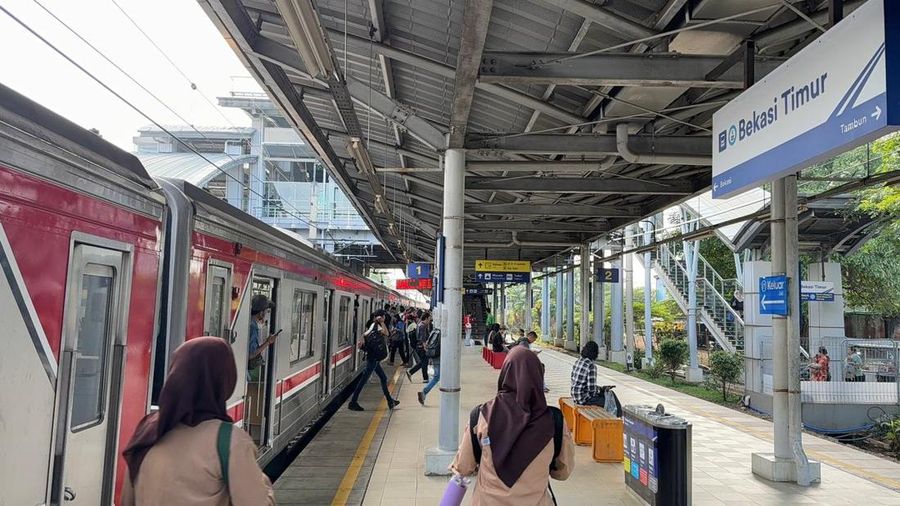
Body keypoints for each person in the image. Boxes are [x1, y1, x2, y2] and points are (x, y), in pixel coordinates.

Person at [121, 337, 275, 505]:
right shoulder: (230, 441)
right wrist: (262, 482)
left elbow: (127, 500)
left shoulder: (148, 431)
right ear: (224, 380)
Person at [451, 347, 574, 504]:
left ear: (505, 373)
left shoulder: (482, 416)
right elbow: (562, 473)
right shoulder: (554, 421)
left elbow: (463, 467)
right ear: (538, 376)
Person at [349, 310, 399, 411]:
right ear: (381, 317)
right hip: (373, 358)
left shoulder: (373, 325)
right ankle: (353, 402)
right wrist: (382, 322)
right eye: (384, 316)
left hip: (373, 358)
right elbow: (387, 333)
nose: (385, 318)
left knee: (383, 378)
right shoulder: (377, 325)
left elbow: (365, 334)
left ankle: (390, 401)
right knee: (363, 380)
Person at [248, 295, 278, 381]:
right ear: (261, 313)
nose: (266, 314)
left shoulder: (249, 322)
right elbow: (251, 354)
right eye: (266, 311)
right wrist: (268, 342)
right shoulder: (253, 327)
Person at [571, 341, 604, 405]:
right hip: (583, 399)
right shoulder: (591, 366)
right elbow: (592, 390)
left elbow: (574, 380)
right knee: (606, 401)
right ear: (595, 353)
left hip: (575, 396)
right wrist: (600, 391)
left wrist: (598, 388)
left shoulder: (578, 361)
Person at [417, 327, 441, 406]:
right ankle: (424, 392)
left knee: (437, 376)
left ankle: (424, 393)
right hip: (439, 357)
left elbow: (428, 342)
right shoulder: (443, 333)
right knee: (436, 377)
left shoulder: (434, 331)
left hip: (433, 354)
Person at [406, 312, 432, 382]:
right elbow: (423, 338)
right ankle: (425, 378)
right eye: (429, 318)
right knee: (424, 362)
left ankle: (411, 372)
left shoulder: (419, 324)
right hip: (421, 347)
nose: (430, 320)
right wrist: (425, 348)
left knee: (422, 362)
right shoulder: (423, 326)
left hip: (419, 346)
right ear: (426, 318)